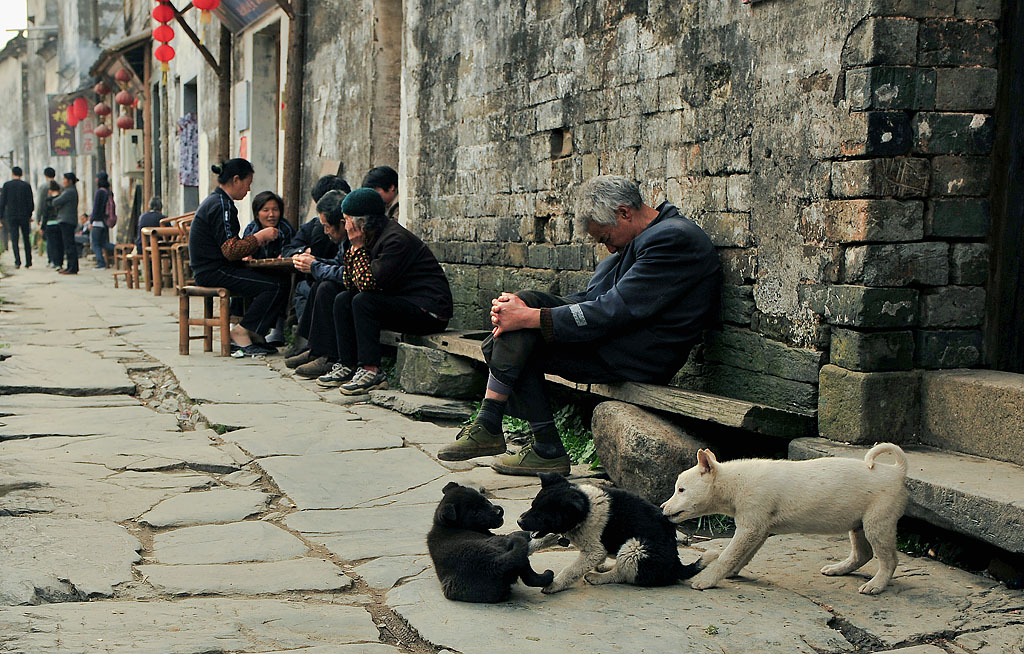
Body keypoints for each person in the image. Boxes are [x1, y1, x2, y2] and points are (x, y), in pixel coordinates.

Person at [437, 175, 722, 476]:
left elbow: (613, 310)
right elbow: (591, 298)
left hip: (639, 355)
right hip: (612, 339)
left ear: (624, 213)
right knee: (523, 308)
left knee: (521, 333)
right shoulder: (637, 239)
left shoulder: (674, 239)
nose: (608, 248)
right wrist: (522, 308)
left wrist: (532, 318)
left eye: (605, 238)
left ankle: (524, 437)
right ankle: (510, 432)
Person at [291, 187, 453, 395]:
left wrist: (357, 247)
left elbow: (368, 284)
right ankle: (346, 364)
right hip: (401, 301)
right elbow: (351, 281)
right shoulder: (371, 236)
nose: (346, 225)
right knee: (343, 298)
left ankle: (371, 370)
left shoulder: (395, 240)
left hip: (428, 311)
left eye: (348, 219)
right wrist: (355, 248)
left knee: (363, 301)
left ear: (362, 222)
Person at [187, 159, 289, 356]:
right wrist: (259, 237)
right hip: (213, 271)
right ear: (236, 180)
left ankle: (256, 332)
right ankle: (241, 331)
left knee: (280, 279)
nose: (248, 189)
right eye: (248, 183)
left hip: (217, 268)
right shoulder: (222, 205)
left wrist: (246, 247)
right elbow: (230, 250)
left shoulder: (218, 202)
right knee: (275, 285)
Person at [281, 175, 351, 358]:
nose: (326, 230)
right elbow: (339, 263)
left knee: (323, 287)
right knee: (314, 287)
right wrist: (307, 257)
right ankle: (314, 347)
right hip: (329, 276)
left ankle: (320, 351)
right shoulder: (320, 227)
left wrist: (314, 267)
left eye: (327, 226)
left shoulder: (357, 234)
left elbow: (349, 273)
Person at [239, 190, 294, 345]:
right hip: (257, 271)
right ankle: (239, 325)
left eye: (275, 210)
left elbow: (291, 248)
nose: (271, 214)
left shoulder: (285, 229)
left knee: (282, 284)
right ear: (257, 214)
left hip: (278, 272)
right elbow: (245, 249)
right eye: (266, 210)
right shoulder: (252, 229)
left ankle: (275, 329)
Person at [0, 166, 35, 268]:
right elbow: (30, 203)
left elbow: (2, 203)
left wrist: (1, 216)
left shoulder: (7, 186)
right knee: (26, 238)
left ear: (12, 174)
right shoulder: (26, 186)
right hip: (24, 216)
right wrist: (29, 214)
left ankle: (17, 261)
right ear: (21, 174)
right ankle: (28, 261)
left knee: (14, 239)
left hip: (12, 216)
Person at [51, 172, 80, 275]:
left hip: (67, 220)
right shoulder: (69, 191)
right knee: (68, 244)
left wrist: (55, 196)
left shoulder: (69, 192)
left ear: (69, 181)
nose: (63, 182)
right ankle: (71, 266)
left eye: (64, 180)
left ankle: (72, 267)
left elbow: (55, 202)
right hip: (67, 220)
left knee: (69, 245)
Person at [90, 172, 116, 268]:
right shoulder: (108, 192)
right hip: (105, 222)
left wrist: (91, 221)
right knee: (103, 243)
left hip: (97, 222)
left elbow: (96, 208)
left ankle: (101, 263)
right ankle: (118, 249)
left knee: (95, 244)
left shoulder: (99, 192)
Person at [34, 167, 57, 267]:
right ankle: (56, 260)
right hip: (58, 216)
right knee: (57, 240)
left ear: (45, 175)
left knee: (49, 239)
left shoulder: (43, 187)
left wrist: (38, 218)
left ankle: (51, 259)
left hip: (47, 216)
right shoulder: (59, 185)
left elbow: (40, 204)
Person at [40, 181, 63, 268]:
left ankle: (53, 261)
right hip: (60, 223)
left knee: (52, 244)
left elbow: (45, 215)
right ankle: (59, 263)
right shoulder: (61, 199)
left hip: (50, 224)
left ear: (50, 190)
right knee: (60, 244)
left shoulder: (48, 200)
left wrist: (42, 226)